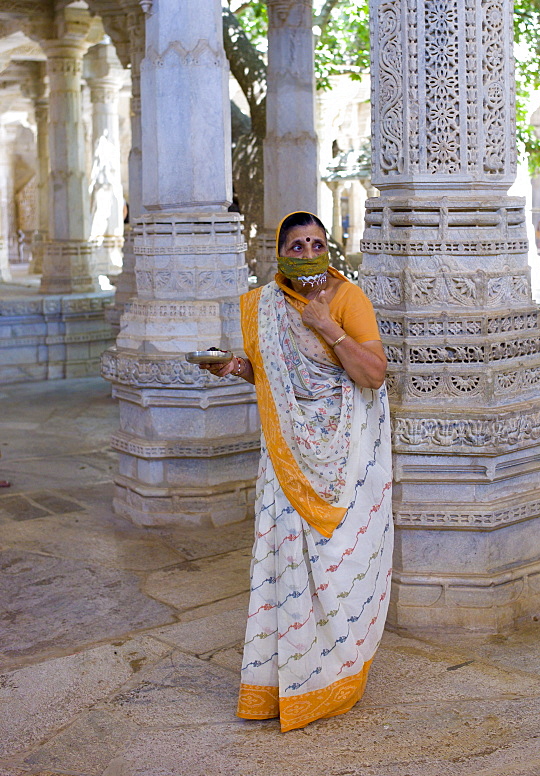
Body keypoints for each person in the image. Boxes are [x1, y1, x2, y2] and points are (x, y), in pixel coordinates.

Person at [203, 210, 393, 732]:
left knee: (338, 565)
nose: (308, 252)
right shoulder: (266, 305)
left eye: (317, 243)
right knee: (285, 564)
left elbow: (373, 375)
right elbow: (275, 379)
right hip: (287, 462)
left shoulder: (347, 298)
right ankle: (281, 684)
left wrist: (328, 326)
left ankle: (335, 677)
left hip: (345, 460)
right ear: (280, 251)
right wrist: (237, 367)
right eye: (298, 244)